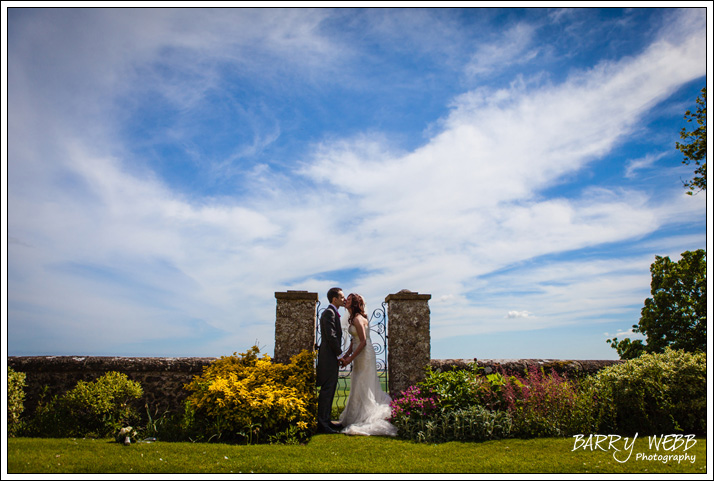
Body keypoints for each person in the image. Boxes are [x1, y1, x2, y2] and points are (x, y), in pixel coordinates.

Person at [338, 293, 397, 436]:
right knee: (358, 382)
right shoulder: (355, 319)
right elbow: (354, 341)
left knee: (363, 382)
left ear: (354, 304)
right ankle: (356, 415)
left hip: (364, 354)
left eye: (350, 300)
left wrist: (350, 359)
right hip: (360, 353)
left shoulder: (358, 319)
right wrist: (345, 356)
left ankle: (364, 417)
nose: (346, 301)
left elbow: (363, 341)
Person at [316, 287, 345, 434]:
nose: (343, 299)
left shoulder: (332, 312)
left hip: (330, 357)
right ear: (334, 299)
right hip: (328, 358)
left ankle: (326, 421)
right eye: (341, 297)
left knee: (330, 389)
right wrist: (340, 355)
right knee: (327, 390)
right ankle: (322, 424)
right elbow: (331, 336)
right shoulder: (329, 313)